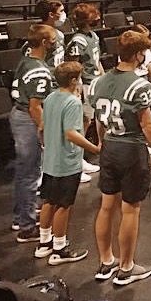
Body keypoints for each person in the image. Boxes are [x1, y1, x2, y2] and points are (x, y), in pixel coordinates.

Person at [88, 29, 151, 285]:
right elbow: (148, 125)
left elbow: (99, 120)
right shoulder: (140, 85)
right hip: (131, 149)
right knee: (130, 210)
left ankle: (105, 262)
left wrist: (101, 142)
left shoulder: (98, 82)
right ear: (138, 54)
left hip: (109, 145)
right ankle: (126, 267)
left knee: (106, 206)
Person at [34, 61, 100, 265]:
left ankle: (44, 244)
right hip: (67, 162)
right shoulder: (72, 102)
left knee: (48, 201)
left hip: (51, 161)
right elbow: (71, 133)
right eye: (79, 78)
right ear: (73, 81)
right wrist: (94, 148)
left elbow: (42, 128)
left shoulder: (51, 97)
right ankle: (59, 249)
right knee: (64, 204)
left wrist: (47, 145)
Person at [11, 24, 56, 243]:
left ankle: (21, 216)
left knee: (24, 171)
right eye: (54, 39)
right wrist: (44, 132)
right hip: (27, 119)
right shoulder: (39, 70)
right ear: (45, 43)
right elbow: (35, 107)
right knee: (29, 172)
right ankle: (27, 227)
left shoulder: (25, 59)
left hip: (18, 114)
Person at [65, 2, 105, 179]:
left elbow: (96, 60)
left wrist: (104, 78)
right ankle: (74, 164)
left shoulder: (93, 36)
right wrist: (76, 88)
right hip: (85, 84)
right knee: (83, 122)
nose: (97, 17)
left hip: (96, 81)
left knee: (92, 119)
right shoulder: (78, 40)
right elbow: (74, 65)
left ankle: (81, 160)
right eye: (93, 15)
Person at [21, 0, 67, 73]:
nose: (64, 14)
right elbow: (30, 63)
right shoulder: (39, 35)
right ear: (51, 15)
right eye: (61, 11)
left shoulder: (60, 34)